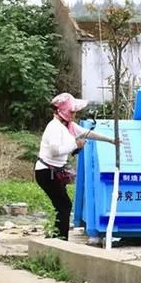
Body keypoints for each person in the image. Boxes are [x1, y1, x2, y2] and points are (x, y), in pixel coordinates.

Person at [35, 92, 118, 240]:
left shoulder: (69, 126)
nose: (74, 115)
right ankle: (60, 239)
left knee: (62, 205)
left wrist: (111, 140)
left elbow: (88, 134)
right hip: (47, 171)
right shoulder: (54, 127)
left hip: (55, 172)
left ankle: (57, 237)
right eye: (72, 112)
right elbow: (55, 151)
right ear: (63, 111)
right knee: (64, 205)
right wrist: (75, 144)